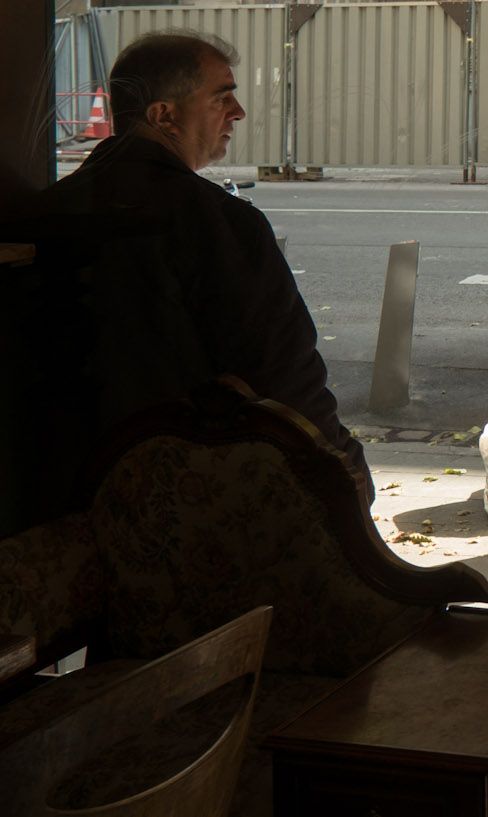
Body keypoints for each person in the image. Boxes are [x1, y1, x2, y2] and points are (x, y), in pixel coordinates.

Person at [0, 31, 367, 537]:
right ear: (163, 116)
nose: (237, 111)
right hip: (182, 524)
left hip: (46, 513)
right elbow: (289, 391)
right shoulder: (222, 225)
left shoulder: (42, 213)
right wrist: (350, 480)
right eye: (221, 97)